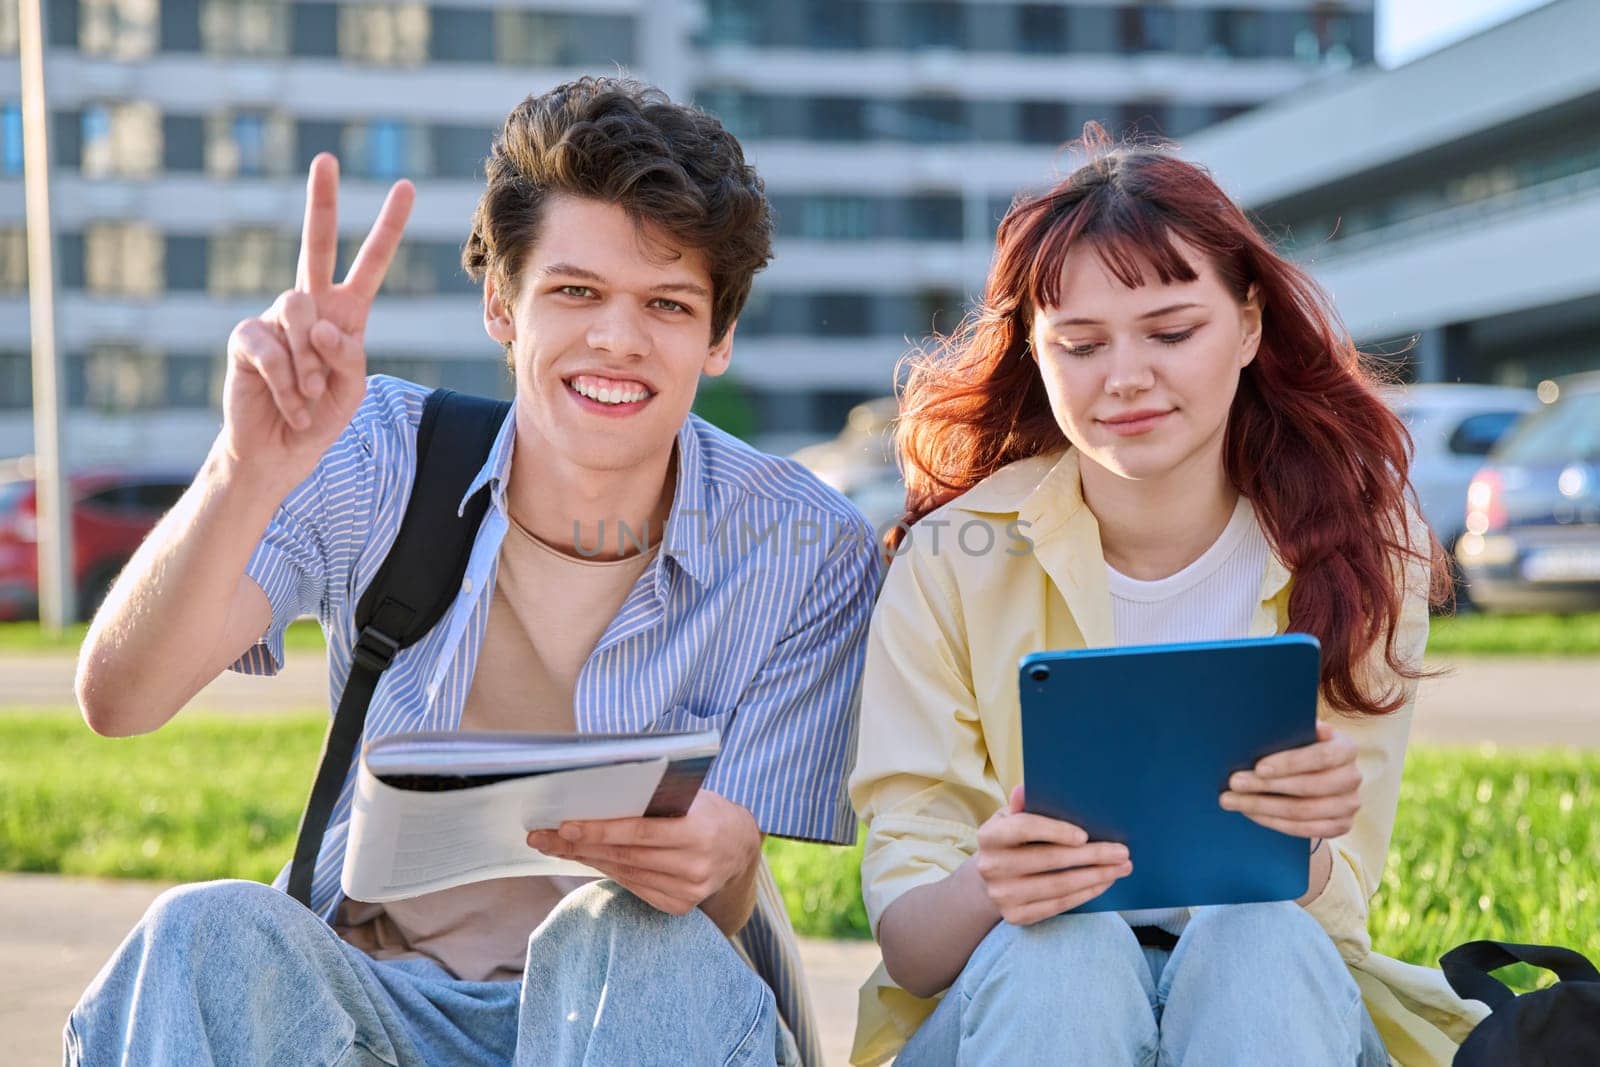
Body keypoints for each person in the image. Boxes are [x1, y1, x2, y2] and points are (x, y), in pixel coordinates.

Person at [67, 77, 879, 1067]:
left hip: (640, 1011)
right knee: (202, 931)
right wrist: (246, 469)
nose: (617, 339)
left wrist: (724, 856)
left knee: (624, 932)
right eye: (575, 291)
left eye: (666, 304)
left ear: (717, 338)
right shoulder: (372, 453)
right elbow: (120, 698)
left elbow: (723, 895)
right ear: (503, 303)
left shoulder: (809, 546)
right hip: (376, 1002)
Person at [846, 129, 1489, 1067]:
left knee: (1259, 937)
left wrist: (1304, 841)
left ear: (1251, 326)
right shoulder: (951, 555)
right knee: (1064, 947)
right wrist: (994, 882)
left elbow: (1335, 916)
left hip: (1274, 996)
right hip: (1015, 1008)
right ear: (1035, 350)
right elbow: (910, 942)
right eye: (1080, 344)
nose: (1126, 378)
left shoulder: (1356, 546)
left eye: (1171, 331)